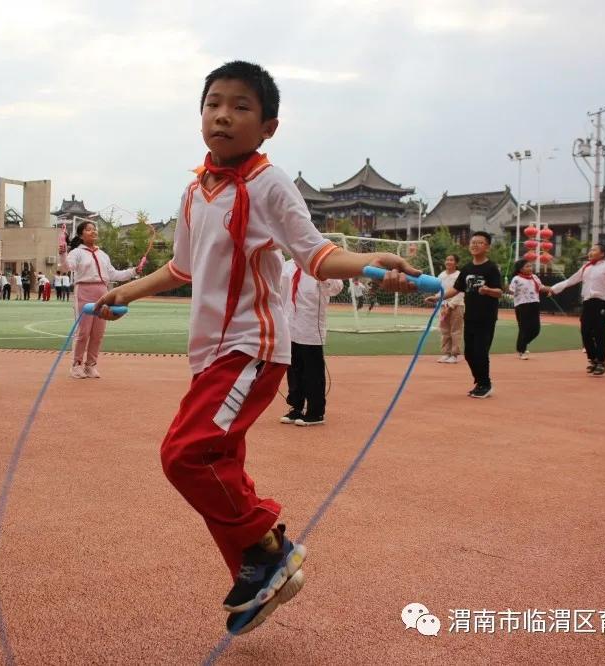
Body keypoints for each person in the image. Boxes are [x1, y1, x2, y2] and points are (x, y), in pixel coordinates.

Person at [93, 61, 421, 635]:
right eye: (213, 102)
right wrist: (128, 292)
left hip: (253, 349)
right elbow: (182, 267)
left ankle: (271, 547)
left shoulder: (271, 184)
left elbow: (315, 254)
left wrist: (372, 266)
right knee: (219, 465)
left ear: (268, 126)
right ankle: (262, 575)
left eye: (241, 106)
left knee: (185, 455)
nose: (223, 114)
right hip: (210, 356)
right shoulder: (196, 189)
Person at [543, 244, 605, 376]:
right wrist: (554, 289)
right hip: (588, 303)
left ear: (602, 254)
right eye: (590, 250)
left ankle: (601, 361)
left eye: (594, 250)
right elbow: (570, 281)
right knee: (585, 331)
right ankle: (593, 359)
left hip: (601, 303)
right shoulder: (586, 267)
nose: (590, 252)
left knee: (600, 333)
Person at [425, 231, 502, 398]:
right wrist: (438, 297)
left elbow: (499, 292)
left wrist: (488, 290)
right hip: (471, 316)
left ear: (487, 247)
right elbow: (456, 289)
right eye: (472, 242)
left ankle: (485, 384)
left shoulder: (491, 268)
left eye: (479, 242)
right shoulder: (466, 269)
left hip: (486, 317)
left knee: (481, 352)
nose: (474, 245)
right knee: (469, 354)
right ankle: (480, 382)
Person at [59, 222, 140, 377]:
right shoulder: (77, 252)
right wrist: (62, 253)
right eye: (89, 229)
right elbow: (66, 267)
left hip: (103, 292)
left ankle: (90, 365)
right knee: (83, 331)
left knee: (98, 332)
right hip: (84, 290)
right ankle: (76, 365)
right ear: (81, 235)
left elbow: (114, 274)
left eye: (94, 229)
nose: (93, 231)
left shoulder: (103, 254)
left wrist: (133, 271)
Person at [278, 257, 343, 426]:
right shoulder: (288, 266)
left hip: (311, 328)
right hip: (290, 325)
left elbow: (337, 287)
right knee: (293, 370)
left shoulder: (321, 265)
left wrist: (323, 276)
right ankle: (296, 407)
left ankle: (315, 412)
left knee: (312, 372)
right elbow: (281, 294)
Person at [507, 258, 543, 359]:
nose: (530, 268)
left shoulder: (534, 277)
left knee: (536, 329)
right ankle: (522, 350)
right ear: (520, 269)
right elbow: (511, 290)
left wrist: (550, 290)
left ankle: (522, 345)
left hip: (534, 304)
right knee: (524, 329)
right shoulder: (516, 279)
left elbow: (541, 287)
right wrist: (508, 289)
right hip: (522, 305)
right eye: (527, 266)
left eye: (530, 266)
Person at [436, 254, 464, 363]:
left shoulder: (459, 275)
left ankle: (454, 355)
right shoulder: (441, 275)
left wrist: (451, 305)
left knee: (455, 330)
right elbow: (439, 290)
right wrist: (442, 304)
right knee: (444, 330)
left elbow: (461, 292)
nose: (448, 262)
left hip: (457, 305)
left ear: (456, 263)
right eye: (447, 259)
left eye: (451, 260)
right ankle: (446, 353)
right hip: (443, 306)